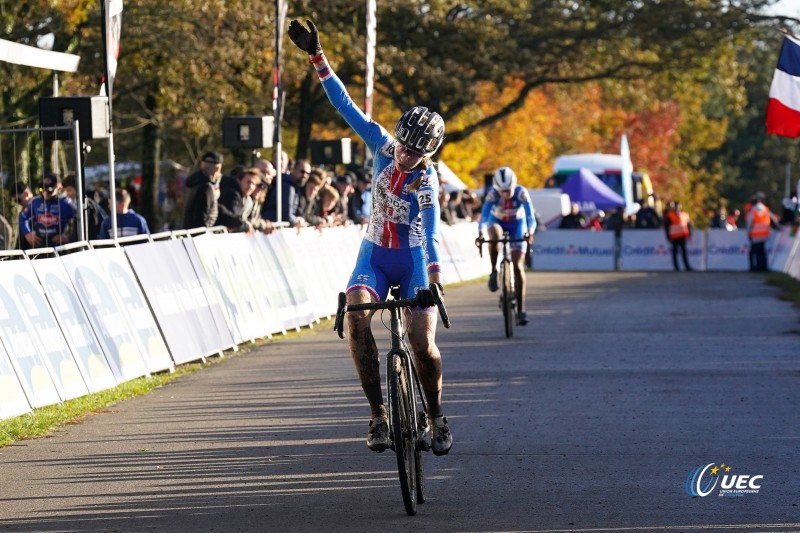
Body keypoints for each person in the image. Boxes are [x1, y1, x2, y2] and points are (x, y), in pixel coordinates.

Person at [288, 18, 452, 455]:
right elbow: (345, 106)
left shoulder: (428, 183)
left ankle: (437, 417)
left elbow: (432, 233)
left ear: (429, 154)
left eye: (415, 151)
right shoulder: (380, 144)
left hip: (415, 260)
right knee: (357, 319)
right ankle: (378, 415)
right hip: (374, 257)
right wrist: (317, 56)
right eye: (402, 143)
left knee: (422, 342)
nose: (404, 153)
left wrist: (433, 281)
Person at [476, 166, 536, 325]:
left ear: (514, 185)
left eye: (508, 190)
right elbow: (484, 217)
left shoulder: (521, 192)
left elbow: (531, 216)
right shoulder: (492, 195)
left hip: (517, 224)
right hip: (498, 222)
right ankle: (494, 270)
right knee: (494, 234)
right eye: (501, 191)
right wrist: (481, 233)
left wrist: (530, 232)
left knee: (518, 265)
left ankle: (521, 309)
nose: (505, 194)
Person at [18, 173, 75, 248]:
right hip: (39, 247)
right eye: (42, 189)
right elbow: (22, 218)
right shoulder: (35, 202)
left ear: (59, 188)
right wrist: (27, 234)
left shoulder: (66, 203)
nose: (45, 193)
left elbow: (80, 220)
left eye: (49, 191)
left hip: (59, 248)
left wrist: (69, 238)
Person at [182, 151, 223, 229]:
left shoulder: (192, 183)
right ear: (218, 168)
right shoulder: (207, 188)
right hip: (200, 236)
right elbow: (202, 218)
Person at [62, 173, 106, 241]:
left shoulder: (87, 205)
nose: (67, 194)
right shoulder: (75, 204)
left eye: (69, 190)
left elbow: (88, 229)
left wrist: (69, 238)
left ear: (78, 188)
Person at [746, 193, 779, 272]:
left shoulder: (753, 210)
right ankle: (763, 267)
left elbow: (750, 223)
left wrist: (748, 233)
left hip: (755, 235)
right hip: (764, 234)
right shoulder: (766, 209)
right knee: (762, 252)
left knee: (754, 252)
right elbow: (773, 220)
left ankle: (755, 268)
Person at [664, 200, 693, 271]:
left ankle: (687, 266)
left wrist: (690, 234)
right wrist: (668, 236)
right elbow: (666, 226)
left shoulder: (684, 214)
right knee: (675, 252)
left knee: (684, 252)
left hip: (683, 235)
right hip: (674, 236)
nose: (677, 207)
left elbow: (688, 225)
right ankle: (676, 267)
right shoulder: (670, 214)